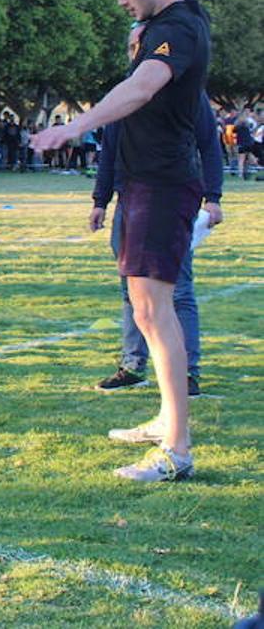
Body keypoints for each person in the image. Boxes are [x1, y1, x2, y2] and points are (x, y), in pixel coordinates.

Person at [31, 0, 215, 482]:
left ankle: (177, 449)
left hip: (162, 183)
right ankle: (166, 417)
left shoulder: (177, 29)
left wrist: (74, 125)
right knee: (143, 308)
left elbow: (140, 88)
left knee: (156, 310)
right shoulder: (175, 20)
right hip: (142, 183)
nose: (121, 1)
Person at [91, 23, 224, 397]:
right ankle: (133, 364)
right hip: (128, 200)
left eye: (143, 43)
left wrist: (213, 196)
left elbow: (209, 145)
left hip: (167, 199)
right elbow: (110, 148)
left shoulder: (185, 91)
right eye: (134, 44)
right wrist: (100, 200)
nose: (138, 49)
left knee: (177, 288)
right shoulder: (124, 92)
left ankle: (186, 372)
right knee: (130, 289)